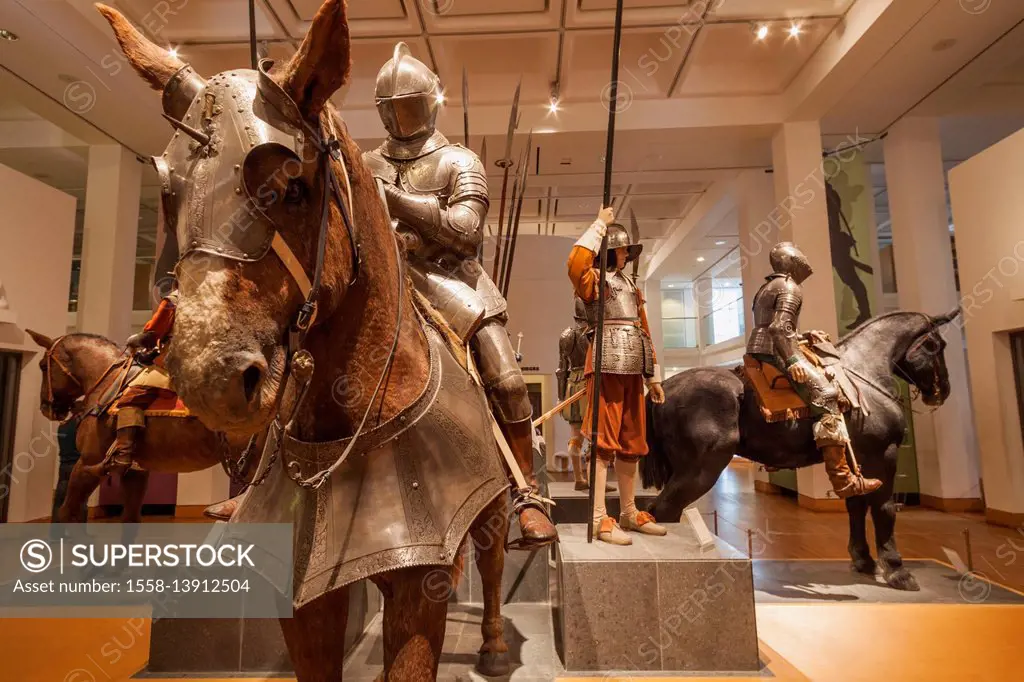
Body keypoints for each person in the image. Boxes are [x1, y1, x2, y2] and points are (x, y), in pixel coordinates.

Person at [363, 43, 556, 549]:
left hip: (453, 284)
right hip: (383, 282)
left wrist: (394, 199)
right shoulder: (363, 162)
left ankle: (526, 494)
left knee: (508, 382)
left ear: (428, 103)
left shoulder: (458, 160)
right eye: (392, 107)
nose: (401, 116)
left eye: (408, 104)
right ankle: (269, 474)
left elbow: (465, 232)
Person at [746, 242, 881, 498]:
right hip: (776, 351)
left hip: (763, 346)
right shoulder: (789, 286)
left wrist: (805, 335)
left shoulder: (769, 285)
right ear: (792, 262)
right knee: (827, 395)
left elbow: (774, 326)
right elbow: (778, 328)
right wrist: (794, 360)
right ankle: (843, 480)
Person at [568, 206, 667, 545]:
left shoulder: (629, 283)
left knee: (632, 441)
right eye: (624, 249)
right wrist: (599, 224)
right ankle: (598, 517)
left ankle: (628, 511)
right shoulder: (595, 280)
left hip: (633, 365)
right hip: (607, 359)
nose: (627, 255)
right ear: (612, 251)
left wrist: (652, 376)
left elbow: (643, 328)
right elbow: (575, 264)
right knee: (603, 439)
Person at [556, 297, 613, 492]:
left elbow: (561, 370)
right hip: (591, 383)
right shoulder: (595, 332)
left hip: (573, 384)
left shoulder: (566, 335)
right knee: (595, 435)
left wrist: (561, 397)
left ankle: (579, 479)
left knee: (575, 435)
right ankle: (597, 481)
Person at [52, 400, 88, 521]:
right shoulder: (82, 426)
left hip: (63, 465)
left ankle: (56, 534)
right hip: (77, 465)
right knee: (80, 499)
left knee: (60, 499)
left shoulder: (62, 426)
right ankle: (80, 533)